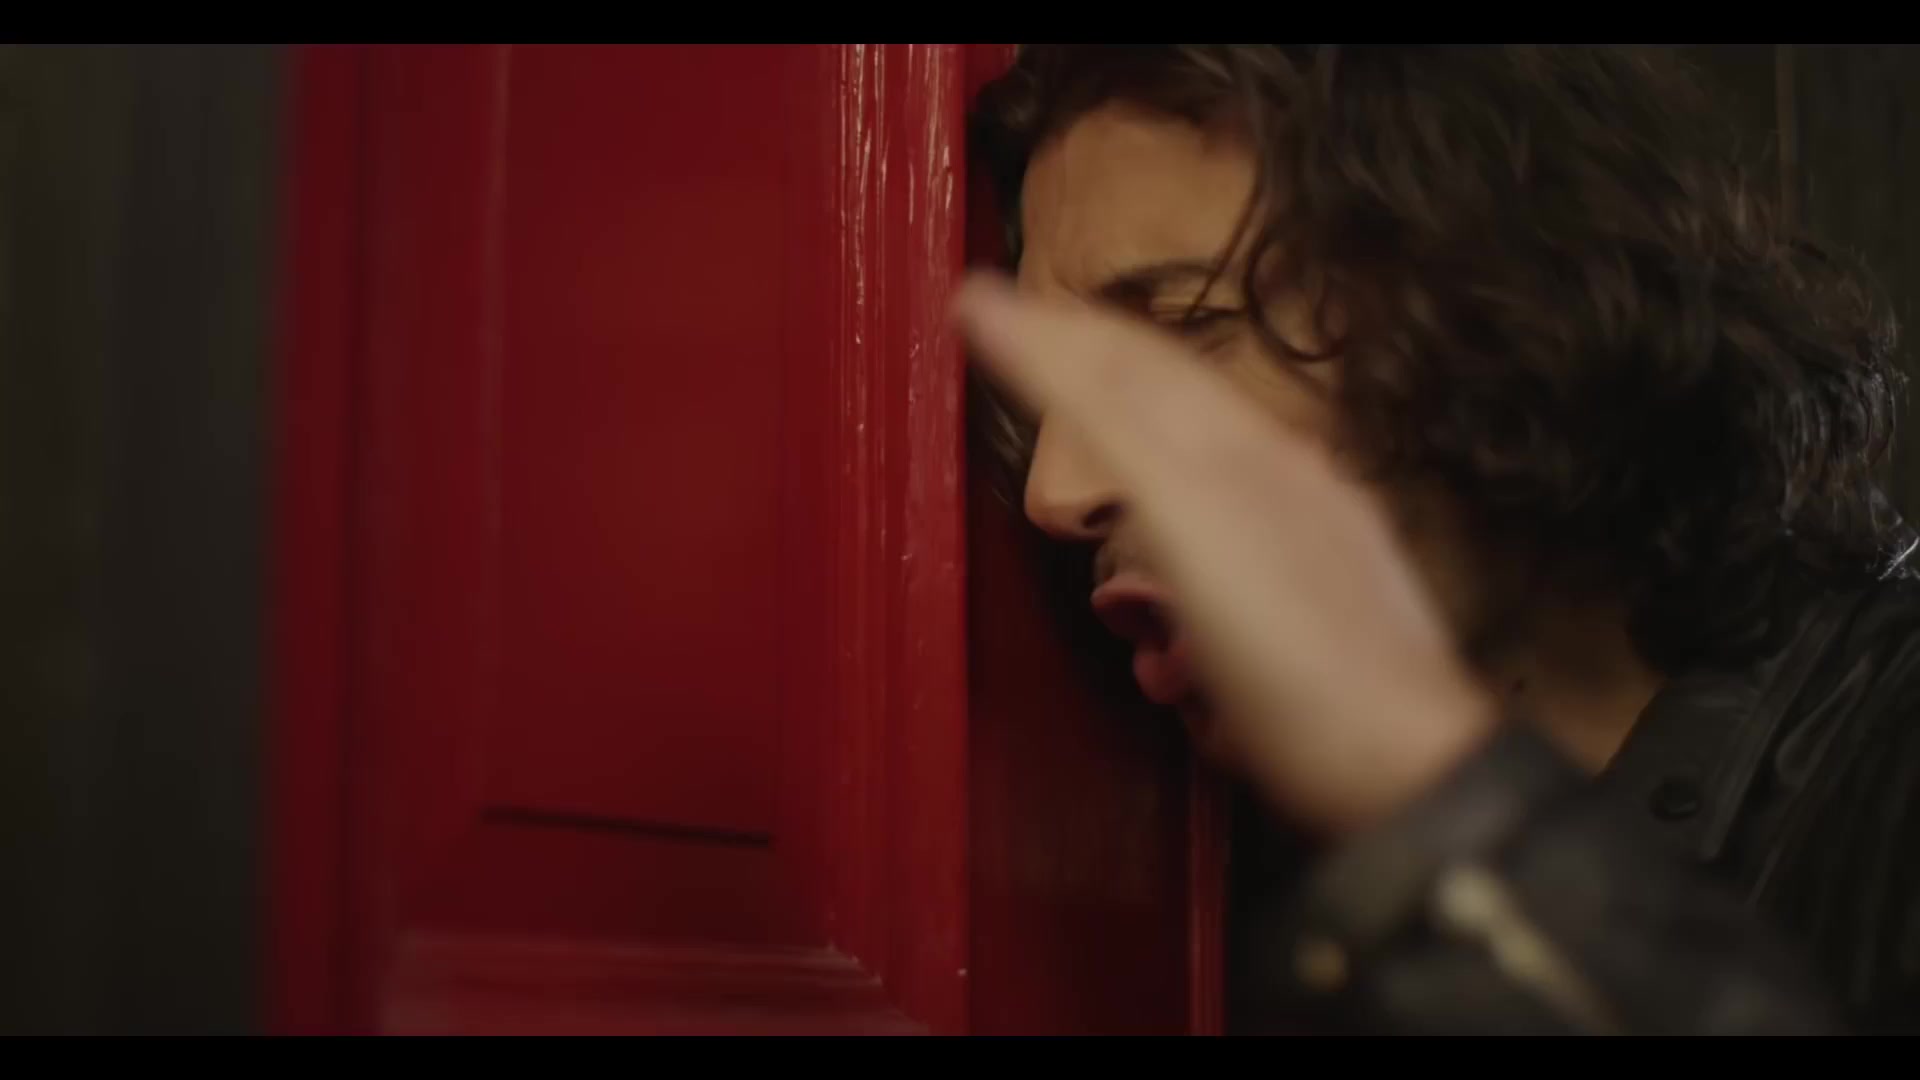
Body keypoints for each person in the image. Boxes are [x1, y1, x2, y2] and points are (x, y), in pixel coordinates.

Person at [955, 45, 1920, 1035]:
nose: (1052, 492)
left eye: (1185, 328)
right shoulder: (1220, 886)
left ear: (1516, 297)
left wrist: (1425, 788)